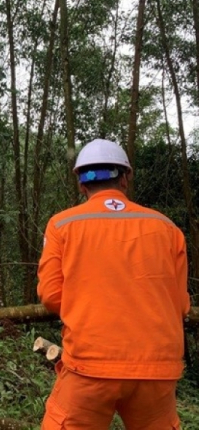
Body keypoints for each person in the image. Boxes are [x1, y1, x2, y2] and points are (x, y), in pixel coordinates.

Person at [37, 139, 190, 429]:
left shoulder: (61, 225)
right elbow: (180, 305)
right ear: (125, 178)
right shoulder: (168, 228)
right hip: (157, 369)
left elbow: (51, 295)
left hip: (90, 366)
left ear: (82, 184)